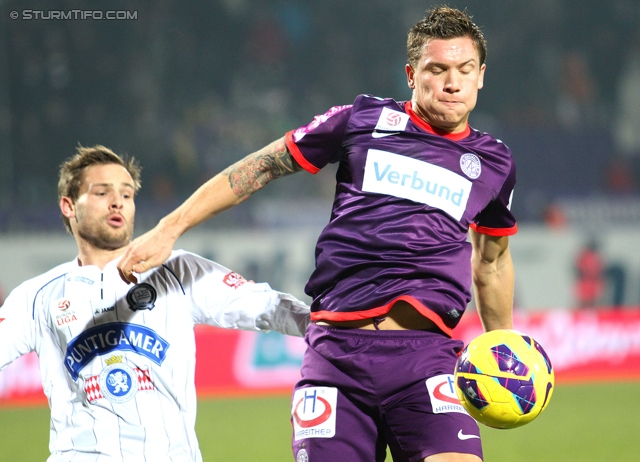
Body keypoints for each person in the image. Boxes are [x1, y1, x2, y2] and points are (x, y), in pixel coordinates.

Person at [118, 7, 517, 462]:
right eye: (437, 69)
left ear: (481, 75)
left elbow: (492, 260)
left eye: (465, 70)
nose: (452, 83)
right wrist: (169, 228)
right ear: (411, 73)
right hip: (337, 359)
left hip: (426, 360)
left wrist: (502, 349)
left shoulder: (494, 162)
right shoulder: (361, 120)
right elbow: (262, 166)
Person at [0, 145, 310, 462]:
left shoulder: (177, 270)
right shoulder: (35, 297)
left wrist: (332, 327)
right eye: (101, 193)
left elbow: (267, 306)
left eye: (126, 193)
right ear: (68, 206)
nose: (117, 201)